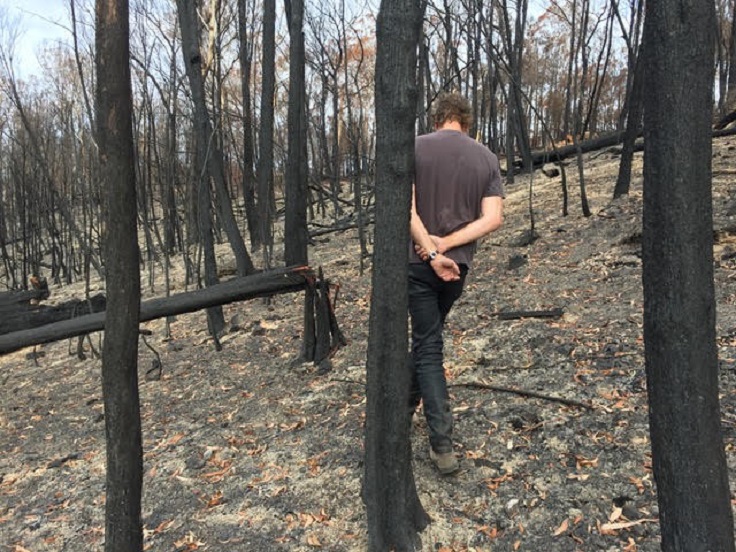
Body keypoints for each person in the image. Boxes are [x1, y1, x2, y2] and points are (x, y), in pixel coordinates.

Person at [409, 92, 504, 474]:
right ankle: (401, 415)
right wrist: (448, 247)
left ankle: (442, 444)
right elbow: (494, 218)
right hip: (456, 269)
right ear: (465, 120)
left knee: (427, 346)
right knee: (427, 341)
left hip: (418, 263)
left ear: (437, 119)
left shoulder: (414, 148)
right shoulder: (487, 157)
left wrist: (431, 249)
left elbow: (407, 209)